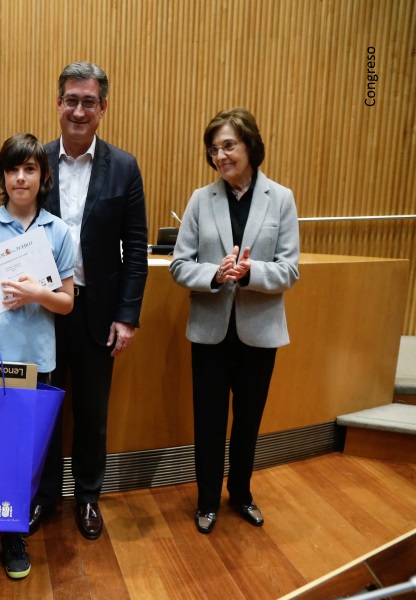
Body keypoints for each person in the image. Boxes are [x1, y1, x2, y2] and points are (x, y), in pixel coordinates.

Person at [30, 62, 148, 540]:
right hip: (44, 308)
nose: (79, 110)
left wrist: (127, 316)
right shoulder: (34, 160)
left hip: (99, 313)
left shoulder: (124, 166)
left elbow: (136, 247)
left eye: (89, 102)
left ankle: (88, 499)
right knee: (46, 407)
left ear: (103, 108)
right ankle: (45, 497)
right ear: (58, 104)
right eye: (71, 100)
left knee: (93, 413)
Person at [169, 108, 300, 534]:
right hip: (209, 331)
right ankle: (207, 500)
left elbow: (290, 270)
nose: (221, 156)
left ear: (250, 147)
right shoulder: (199, 199)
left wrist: (249, 272)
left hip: (258, 332)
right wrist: (213, 273)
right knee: (208, 419)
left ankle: (241, 494)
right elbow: (178, 265)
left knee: (248, 420)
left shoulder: (280, 198)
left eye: (229, 145)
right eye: (214, 149)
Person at [0, 132, 75, 580]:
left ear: (43, 176)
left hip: (34, 362)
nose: (20, 178)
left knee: (20, 455)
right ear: (2, 178)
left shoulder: (58, 232)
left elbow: (67, 302)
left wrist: (38, 294)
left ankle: (11, 533)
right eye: (12, 170)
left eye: (30, 169)